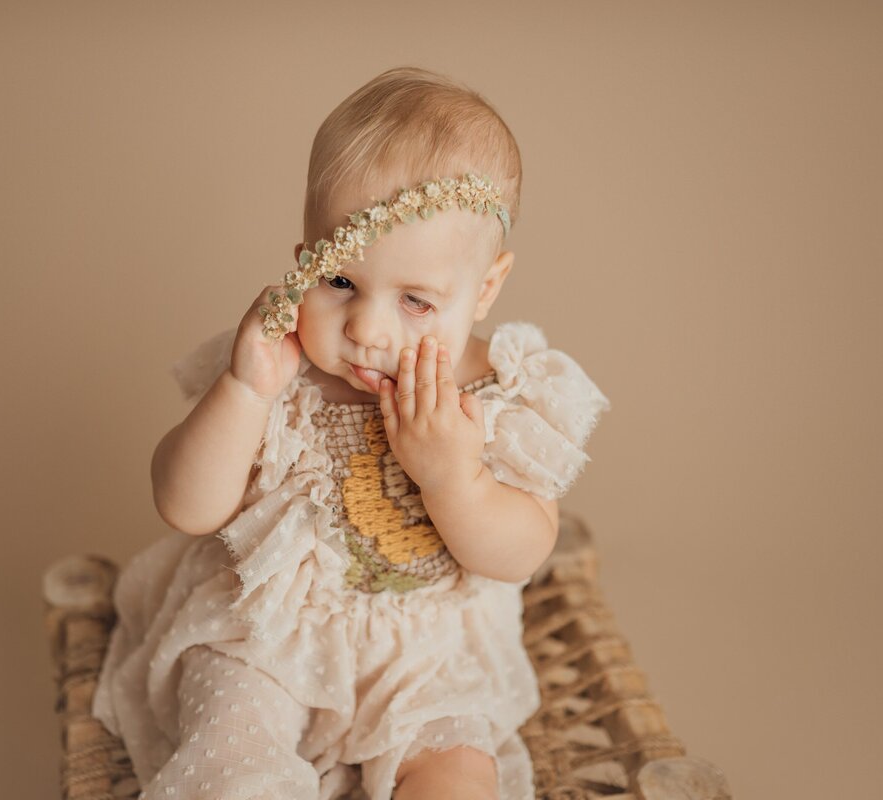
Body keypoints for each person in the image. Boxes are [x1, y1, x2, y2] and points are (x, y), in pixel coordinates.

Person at [92, 65, 611, 800]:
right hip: (267, 639)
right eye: (340, 282)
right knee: (231, 763)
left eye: (417, 301)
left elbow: (522, 552)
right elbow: (186, 506)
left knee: (459, 779)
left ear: (485, 289)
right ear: (306, 250)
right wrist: (243, 392)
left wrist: (453, 477)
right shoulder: (278, 365)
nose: (367, 329)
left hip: (427, 661)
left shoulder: (499, 390)